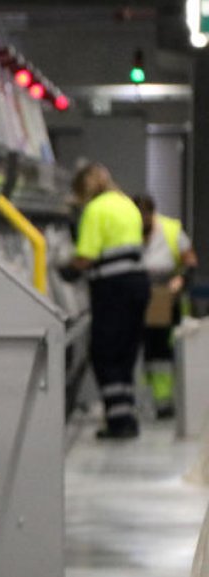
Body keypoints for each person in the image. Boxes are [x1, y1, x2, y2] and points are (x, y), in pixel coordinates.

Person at [60, 165, 150, 438]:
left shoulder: (96, 209)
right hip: (137, 284)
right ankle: (126, 416)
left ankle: (118, 422)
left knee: (104, 352)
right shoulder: (127, 204)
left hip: (113, 288)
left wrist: (66, 270)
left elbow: (86, 255)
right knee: (125, 353)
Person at [134, 193, 198, 419]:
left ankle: (164, 401)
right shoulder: (129, 231)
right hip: (135, 294)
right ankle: (142, 400)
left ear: (152, 214)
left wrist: (178, 282)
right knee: (137, 347)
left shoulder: (171, 229)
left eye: (145, 220)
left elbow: (190, 263)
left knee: (159, 348)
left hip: (163, 296)